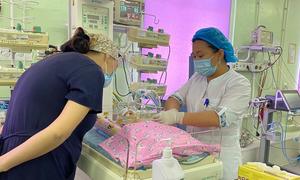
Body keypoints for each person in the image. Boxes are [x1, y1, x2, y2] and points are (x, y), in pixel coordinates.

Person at [0, 27, 119, 180]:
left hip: (15, 157)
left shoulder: (51, 63)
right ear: (107, 56)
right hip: (37, 163)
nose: (115, 69)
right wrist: (3, 163)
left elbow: (54, 111)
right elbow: (58, 133)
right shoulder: (91, 70)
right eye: (117, 63)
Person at [154, 27, 251, 180]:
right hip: (193, 152)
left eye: (201, 55)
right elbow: (175, 97)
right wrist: (171, 112)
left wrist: (178, 117)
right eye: (194, 56)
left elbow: (219, 118)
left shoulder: (238, 83)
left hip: (222, 156)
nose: (197, 61)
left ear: (219, 54)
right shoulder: (197, 77)